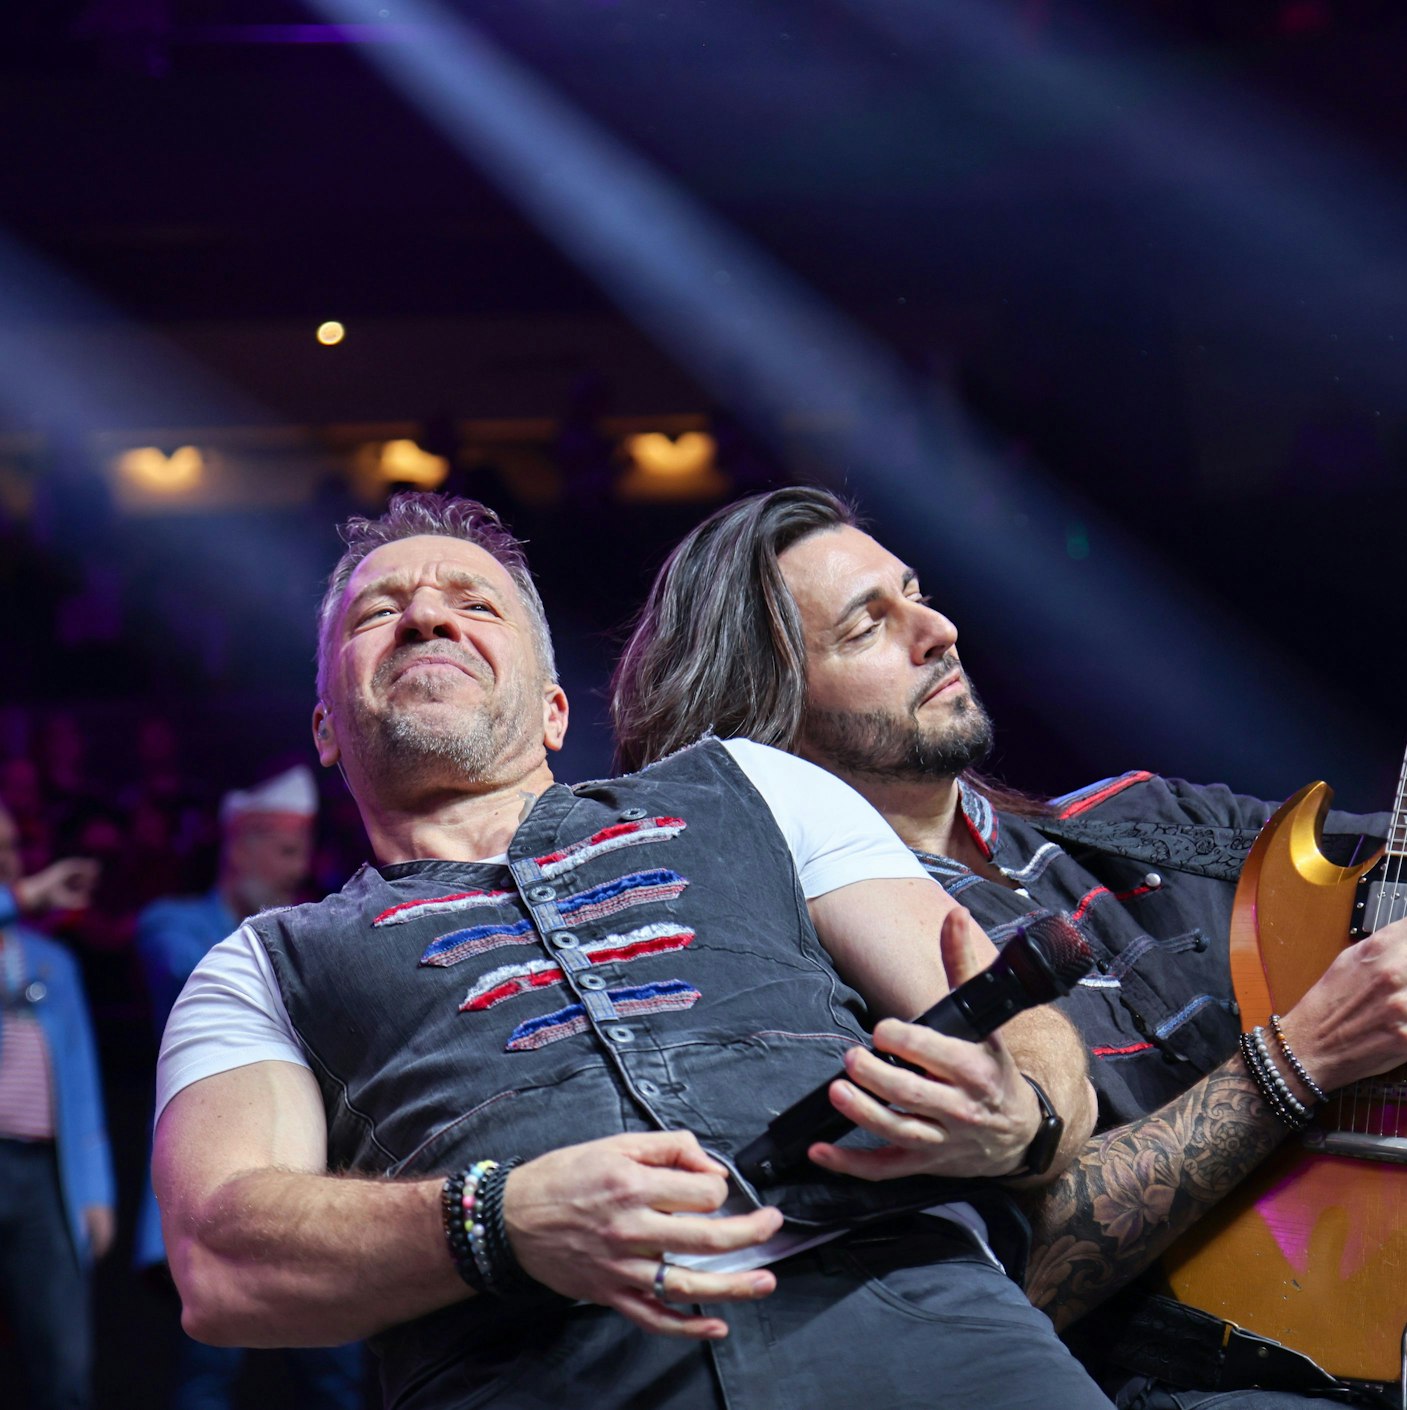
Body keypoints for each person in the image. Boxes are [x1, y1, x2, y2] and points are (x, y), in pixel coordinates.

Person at [608, 467, 1407, 1409]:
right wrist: (1301, 1057)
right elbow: (1023, 1271)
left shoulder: (1142, 819)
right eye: (868, 626)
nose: (938, 631)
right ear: (763, 713)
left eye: (915, 594)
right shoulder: (809, 968)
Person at [152, 492, 1111, 1410]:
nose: (427, 622)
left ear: (556, 712)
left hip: (926, 1334)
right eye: (380, 612)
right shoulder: (256, 968)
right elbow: (220, 1262)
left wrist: (1021, 1118)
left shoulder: (753, 784)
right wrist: (494, 1222)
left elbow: (1019, 1023)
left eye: (474, 605)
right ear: (325, 727)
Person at [135, 765, 365, 1410]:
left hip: (312, 1189)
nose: (299, 869)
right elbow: (203, 984)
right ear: (243, 844)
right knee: (207, 1377)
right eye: (287, 851)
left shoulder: (311, 931)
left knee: (336, 1377)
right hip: (214, 1188)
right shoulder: (171, 923)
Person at [0, 799, 113, 1410]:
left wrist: (94, 1193)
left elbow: (81, 1080)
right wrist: (22, 897)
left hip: (43, 1177)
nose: (7, 860)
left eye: (11, 846)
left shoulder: (51, 962)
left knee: (63, 1367)